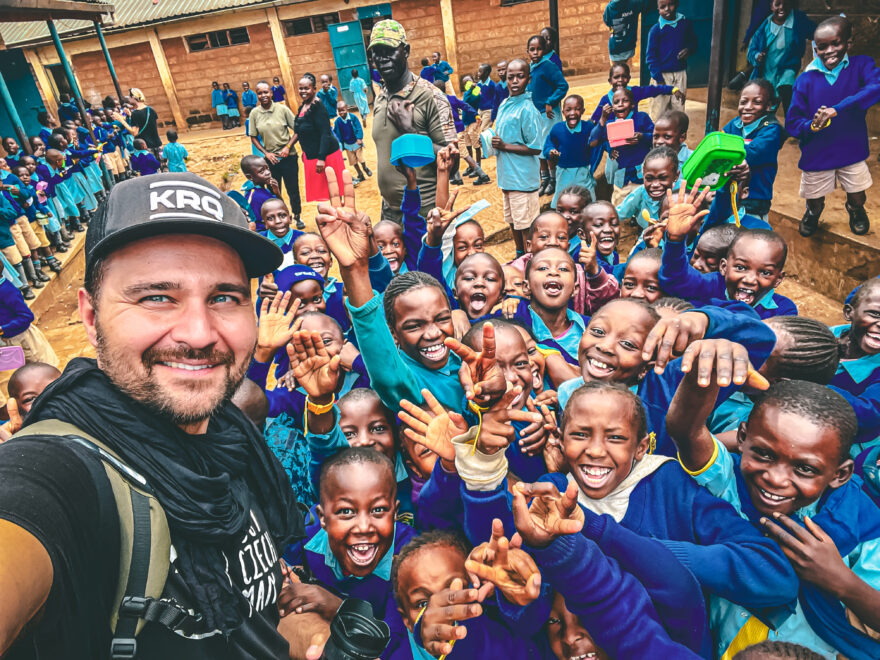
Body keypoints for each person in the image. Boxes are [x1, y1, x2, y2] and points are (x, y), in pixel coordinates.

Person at [0, 172, 306, 657]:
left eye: (224, 297)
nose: (199, 334)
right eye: (156, 297)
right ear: (91, 317)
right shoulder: (58, 472)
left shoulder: (231, 436)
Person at [785, 16, 880, 237]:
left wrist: (836, 109)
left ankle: (855, 209)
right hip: (818, 153)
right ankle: (813, 212)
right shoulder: (805, 80)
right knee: (815, 198)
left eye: (835, 43)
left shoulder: (861, 66)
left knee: (857, 194)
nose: (829, 51)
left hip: (851, 149)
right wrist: (811, 126)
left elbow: (875, 88)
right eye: (821, 47)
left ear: (849, 43)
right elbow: (792, 122)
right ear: (815, 48)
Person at [369, 20, 451, 222]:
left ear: (405, 51)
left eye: (390, 51)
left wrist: (411, 131)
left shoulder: (430, 96)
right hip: (389, 212)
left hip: (424, 212)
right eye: (377, 52)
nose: (383, 58)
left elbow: (452, 161)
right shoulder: (381, 97)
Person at [493, 58, 543, 257]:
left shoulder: (528, 110)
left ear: (528, 79)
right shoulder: (505, 103)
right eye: (510, 77)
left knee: (526, 225)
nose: (514, 81)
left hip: (522, 179)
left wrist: (504, 146)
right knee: (513, 221)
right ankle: (519, 255)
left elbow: (535, 147)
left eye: (520, 77)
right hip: (508, 177)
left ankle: (529, 260)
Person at [722, 80, 784, 220]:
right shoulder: (735, 124)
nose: (748, 107)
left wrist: (724, 149)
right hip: (731, 192)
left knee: (751, 228)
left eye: (757, 102)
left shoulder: (771, 129)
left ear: (768, 106)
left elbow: (752, 153)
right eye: (743, 102)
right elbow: (718, 140)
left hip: (755, 197)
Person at [248, 80, 303, 229]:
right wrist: (266, 153)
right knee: (273, 190)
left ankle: (297, 216)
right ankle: (281, 217)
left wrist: (288, 147)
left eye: (266, 92)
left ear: (271, 93)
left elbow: (298, 130)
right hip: (270, 160)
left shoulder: (282, 109)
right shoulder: (254, 113)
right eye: (260, 93)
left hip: (288, 157)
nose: (263, 95)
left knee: (293, 188)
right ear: (257, 95)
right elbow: (253, 136)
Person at [746, 0, 816, 114]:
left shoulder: (798, 20)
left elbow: (816, 32)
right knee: (766, 105)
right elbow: (751, 51)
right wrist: (757, 56)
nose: (782, 7)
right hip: (768, 72)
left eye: (786, 3)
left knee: (786, 88)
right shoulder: (764, 27)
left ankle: (791, 120)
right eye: (777, 4)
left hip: (787, 68)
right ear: (771, 6)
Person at [293, 74, 348, 203]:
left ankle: (339, 212)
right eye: (301, 88)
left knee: (334, 190)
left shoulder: (317, 106)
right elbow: (301, 132)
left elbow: (325, 133)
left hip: (326, 155)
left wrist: (321, 158)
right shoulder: (304, 106)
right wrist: (304, 152)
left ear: (314, 89)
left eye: (307, 88)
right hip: (313, 155)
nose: (303, 91)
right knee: (326, 192)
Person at [527, 33, 569, 197]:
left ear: (544, 50)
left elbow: (562, 86)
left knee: (548, 146)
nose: (535, 52)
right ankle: (544, 179)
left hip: (548, 115)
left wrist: (551, 101)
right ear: (527, 51)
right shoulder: (530, 68)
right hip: (536, 115)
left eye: (539, 49)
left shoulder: (548, 66)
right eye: (532, 49)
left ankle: (553, 179)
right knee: (538, 147)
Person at [544, 94, 598, 208]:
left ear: (583, 111)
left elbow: (598, 140)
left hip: (583, 171)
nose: (572, 113)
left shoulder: (588, 127)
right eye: (568, 110)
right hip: (563, 172)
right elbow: (548, 144)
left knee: (588, 201)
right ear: (563, 112)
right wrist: (551, 151)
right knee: (562, 199)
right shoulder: (557, 129)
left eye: (577, 109)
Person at [646, 0, 697, 116]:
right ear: (658, 10)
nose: (667, 9)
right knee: (658, 112)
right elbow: (651, 57)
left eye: (671, 4)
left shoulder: (685, 24)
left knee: (678, 112)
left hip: (680, 75)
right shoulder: (655, 30)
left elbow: (693, 42)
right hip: (661, 76)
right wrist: (659, 79)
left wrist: (688, 49)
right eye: (662, 7)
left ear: (677, 4)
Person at [110, 88, 162, 161]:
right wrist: (130, 115)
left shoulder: (136, 113)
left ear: (134, 97)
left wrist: (121, 120)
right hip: (157, 144)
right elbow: (146, 122)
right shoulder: (150, 109)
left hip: (145, 147)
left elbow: (134, 132)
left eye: (129, 96)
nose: (129, 98)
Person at [332, 101, 372, 185]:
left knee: (360, 158)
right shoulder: (337, 122)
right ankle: (360, 174)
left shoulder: (353, 118)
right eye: (339, 111)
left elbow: (359, 128)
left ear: (347, 108)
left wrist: (359, 138)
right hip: (347, 145)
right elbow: (336, 133)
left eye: (343, 110)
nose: (341, 113)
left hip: (356, 142)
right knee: (353, 161)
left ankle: (365, 168)